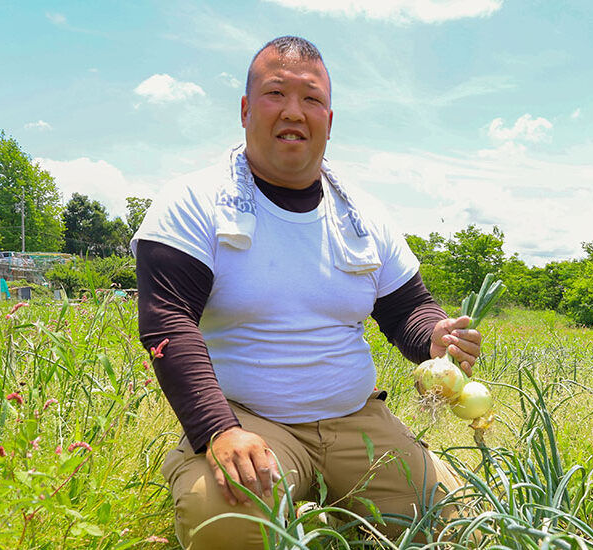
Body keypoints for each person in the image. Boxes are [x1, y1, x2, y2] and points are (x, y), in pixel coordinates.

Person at [132, 35, 483, 548]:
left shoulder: (363, 215)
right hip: (248, 421)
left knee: (456, 527)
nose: (294, 111)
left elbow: (407, 309)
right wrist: (217, 429)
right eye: (276, 93)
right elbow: (168, 322)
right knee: (227, 523)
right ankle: (226, 475)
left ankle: (339, 497)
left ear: (329, 120)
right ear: (246, 110)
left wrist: (435, 336)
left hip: (357, 421)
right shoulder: (193, 201)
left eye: (312, 99)